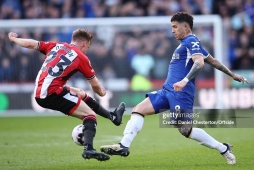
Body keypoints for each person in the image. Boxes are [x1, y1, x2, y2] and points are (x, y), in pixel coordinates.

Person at [100, 12, 250, 165]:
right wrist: (232, 74)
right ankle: (123, 146)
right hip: (167, 91)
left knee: (185, 130)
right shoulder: (187, 44)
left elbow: (200, 63)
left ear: (185, 26)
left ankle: (223, 148)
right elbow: (213, 61)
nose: (172, 30)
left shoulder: (191, 40)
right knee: (138, 109)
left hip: (181, 93)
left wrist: (185, 81)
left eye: (175, 27)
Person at [8, 29, 126, 161]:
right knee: (89, 115)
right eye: (88, 46)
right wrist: (102, 92)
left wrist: (14, 39)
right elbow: (96, 86)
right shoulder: (81, 57)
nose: (87, 49)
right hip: (51, 93)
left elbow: (31, 44)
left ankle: (113, 117)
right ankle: (89, 149)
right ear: (84, 43)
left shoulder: (57, 46)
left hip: (42, 89)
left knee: (80, 93)